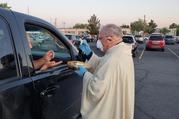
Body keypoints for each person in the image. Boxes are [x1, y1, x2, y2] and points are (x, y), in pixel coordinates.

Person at [75, 24, 135, 119]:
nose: (98, 42)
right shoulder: (120, 51)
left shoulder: (114, 59)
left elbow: (97, 88)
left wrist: (84, 74)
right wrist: (90, 53)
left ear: (110, 39)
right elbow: (102, 64)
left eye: (100, 38)